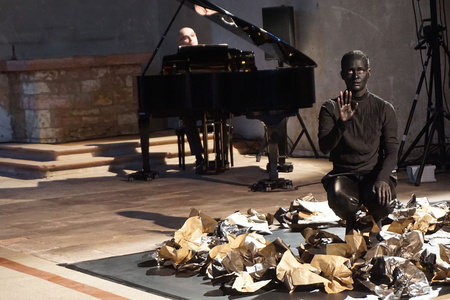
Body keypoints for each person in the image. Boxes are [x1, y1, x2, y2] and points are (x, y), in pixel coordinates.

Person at [318, 50, 399, 235]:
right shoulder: (330, 107)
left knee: (383, 199)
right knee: (340, 197)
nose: (356, 75)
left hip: (373, 173)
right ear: (342, 74)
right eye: (350, 71)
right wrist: (342, 124)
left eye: (360, 70)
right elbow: (324, 147)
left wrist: (383, 178)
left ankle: (375, 223)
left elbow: (392, 151)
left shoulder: (384, 108)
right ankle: (351, 221)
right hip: (345, 174)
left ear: (368, 73)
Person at [177, 27, 204, 168]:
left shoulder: (208, 57)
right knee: (188, 119)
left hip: (212, 101)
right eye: (186, 37)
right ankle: (199, 156)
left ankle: (221, 155)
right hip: (190, 104)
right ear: (180, 42)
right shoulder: (175, 61)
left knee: (223, 115)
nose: (191, 39)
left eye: (193, 35)